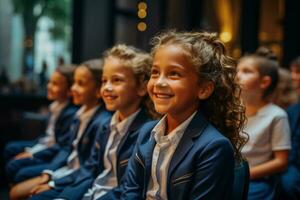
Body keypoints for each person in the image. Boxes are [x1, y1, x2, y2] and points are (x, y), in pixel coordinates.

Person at [120, 30, 247, 200]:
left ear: (203, 89)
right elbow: (130, 192)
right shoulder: (146, 132)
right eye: (155, 72)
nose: (159, 82)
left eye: (174, 74)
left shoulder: (214, 147)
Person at [30, 44, 157, 200]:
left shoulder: (146, 132)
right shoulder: (107, 125)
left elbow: (128, 188)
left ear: (142, 88)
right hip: (90, 191)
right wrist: (64, 193)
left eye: (116, 80)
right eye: (104, 81)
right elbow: (90, 169)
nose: (107, 87)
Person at [9, 59, 112, 200]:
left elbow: (88, 168)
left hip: (75, 175)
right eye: (74, 83)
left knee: (21, 185)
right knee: (17, 185)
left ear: (97, 90)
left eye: (80, 84)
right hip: (67, 170)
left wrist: (54, 180)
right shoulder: (79, 114)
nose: (73, 89)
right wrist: (50, 172)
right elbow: (67, 149)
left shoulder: (101, 122)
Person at [5, 65, 78, 183]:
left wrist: (33, 154)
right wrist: (31, 150)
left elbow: (61, 145)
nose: (49, 86)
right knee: (10, 148)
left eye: (55, 84)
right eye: (50, 82)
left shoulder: (71, 113)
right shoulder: (55, 106)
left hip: (53, 153)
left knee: (15, 166)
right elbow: (46, 136)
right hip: (45, 145)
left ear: (69, 90)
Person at [237, 52, 291, 200]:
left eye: (246, 71)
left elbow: (281, 162)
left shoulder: (276, 115)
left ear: (264, 82)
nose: (238, 75)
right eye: (237, 70)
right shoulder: (231, 110)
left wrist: (243, 175)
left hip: (255, 180)